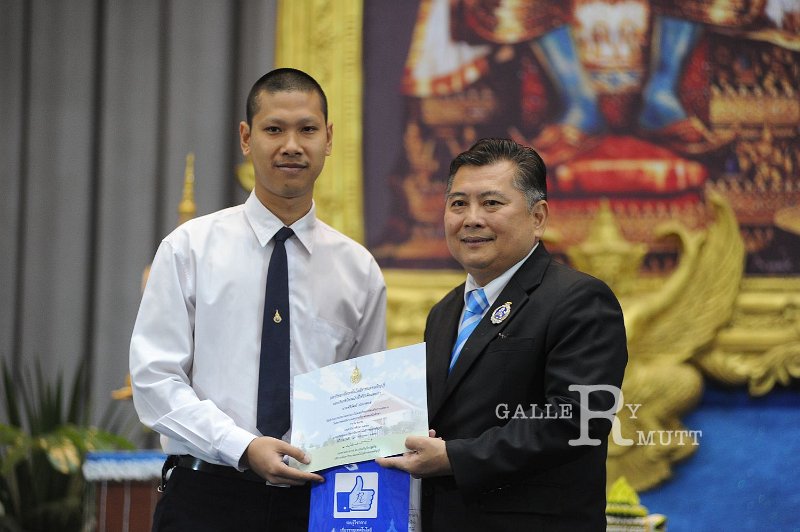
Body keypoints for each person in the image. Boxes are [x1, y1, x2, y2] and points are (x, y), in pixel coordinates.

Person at [129, 68, 387, 531]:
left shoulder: (359, 269)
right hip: (206, 495)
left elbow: (364, 398)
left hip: (315, 499)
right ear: (246, 139)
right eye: (274, 130)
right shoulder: (189, 248)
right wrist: (243, 447)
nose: (292, 145)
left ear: (329, 139)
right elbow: (154, 381)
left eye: (307, 129)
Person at [378, 138, 628, 531]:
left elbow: (577, 420)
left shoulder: (579, 299)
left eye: (491, 203)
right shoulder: (444, 311)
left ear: (538, 217)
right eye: (458, 204)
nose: (471, 219)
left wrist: (455, 458)